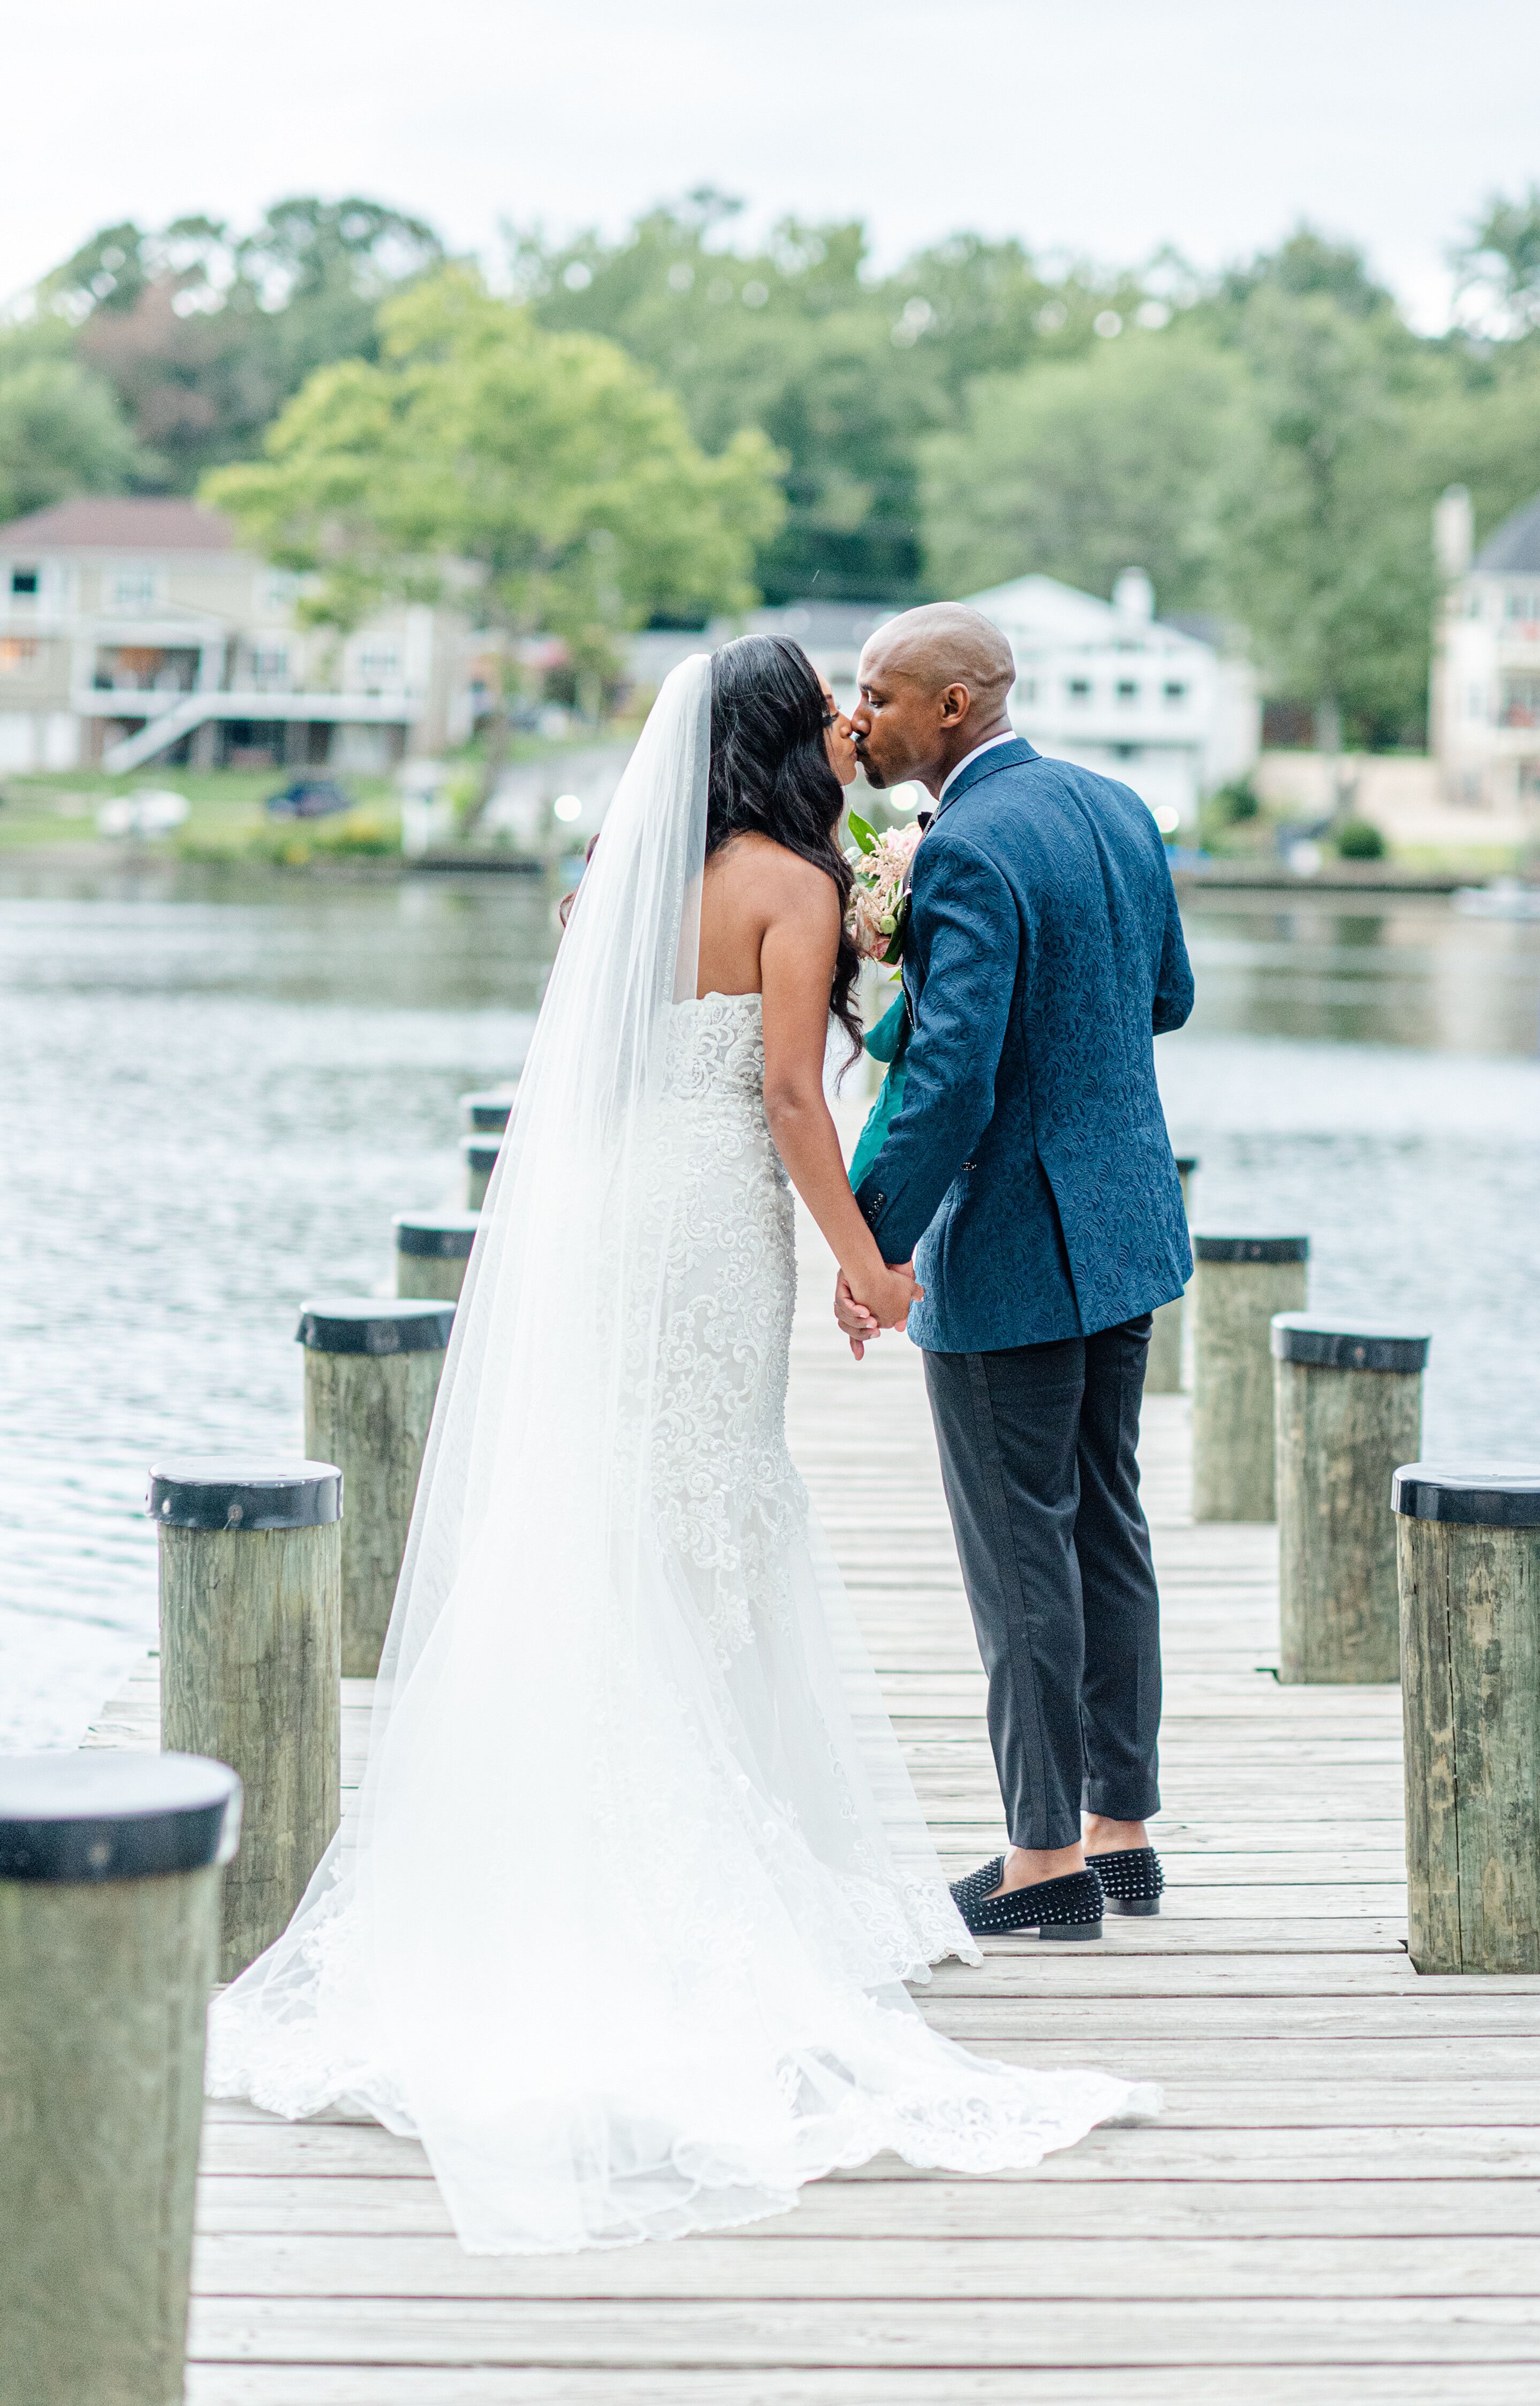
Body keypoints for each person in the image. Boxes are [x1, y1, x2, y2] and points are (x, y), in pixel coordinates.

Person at [204, 634, 1155, 2256]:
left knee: (608, 1513)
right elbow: (792, 1096)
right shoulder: (793, 885)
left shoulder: (620, 883)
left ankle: (554, 1863)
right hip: (716, 1226)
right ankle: (767, 1864)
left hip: (611, 1223)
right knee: (718, 1508)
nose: (852, 733)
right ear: (793, 739)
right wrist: (868, 1257)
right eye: (829, 717)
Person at [836, 604, 1194, 1944]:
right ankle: (1124, 1834)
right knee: (1108, 1520)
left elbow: (952, 1081)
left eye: (877, 693)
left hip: (1012, 1242)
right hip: (1125, 1227)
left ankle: (1042, 1861)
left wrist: (872, 1242)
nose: (855, 716)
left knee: (1017, 1548)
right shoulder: (1116, 805)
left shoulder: (968, 845)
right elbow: (1167, 998)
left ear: (953, 708)